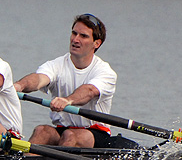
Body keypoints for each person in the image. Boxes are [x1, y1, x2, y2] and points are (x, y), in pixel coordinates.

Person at [13, 14, 117, 147]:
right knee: (42, 131)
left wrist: (68, 100)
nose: (75, 39)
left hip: (95, 133)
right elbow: (39, 79)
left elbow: (89, 91)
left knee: (70, 136)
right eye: (74, 33)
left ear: (97, 43)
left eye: (83, 36)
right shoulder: (56, 65)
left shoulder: (105, 72)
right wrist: (18, 86)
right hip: (63, 130)